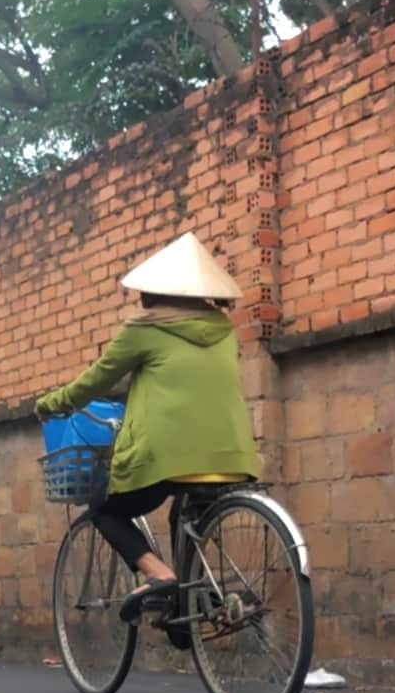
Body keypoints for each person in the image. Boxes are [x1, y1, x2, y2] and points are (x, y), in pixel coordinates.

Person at [34, 233, 261, 626]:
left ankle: (159, 575)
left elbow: (98, 380)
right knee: (184, 516)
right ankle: (186, 611)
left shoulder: (144, 328)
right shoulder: (224, 331)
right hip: (230, 455)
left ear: (152, 294)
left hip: (166, 454)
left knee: (105, 511)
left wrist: (51, 404)